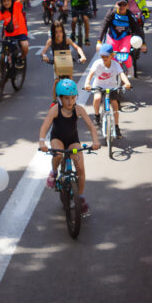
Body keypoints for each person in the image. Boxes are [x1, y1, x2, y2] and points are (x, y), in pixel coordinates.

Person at [40, 79, 100, 214]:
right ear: (60, 98)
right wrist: (42, 141)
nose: (70, 101)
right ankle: (54, 172)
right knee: (58, 154)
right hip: (58, 139)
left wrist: (95, 141)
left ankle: (81, 196)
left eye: (73, 97)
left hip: (73, 140)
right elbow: (45, 125)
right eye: (66, 98)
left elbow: (91, 126)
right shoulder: (55, 109)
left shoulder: (79, 109)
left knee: (80, 168)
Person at [84, 43, 132, 138]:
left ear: (111, 55)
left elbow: (121, 74)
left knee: (115, 104)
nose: (104, 57)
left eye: (106, 55)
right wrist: (87, 83)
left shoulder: (115, 64)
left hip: (111, 87)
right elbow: (90, 74)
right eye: (102, 55)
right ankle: (97, 115)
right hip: (99, 86)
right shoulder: (97, 63)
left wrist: (127, 83)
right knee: (97, 98)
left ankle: (117, 126)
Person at [41, 21, 86, 100]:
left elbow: (77, 47)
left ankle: (73, 98)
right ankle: (54, 101)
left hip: (67, 62)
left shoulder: (67, 40)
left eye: (60, 31)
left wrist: (82, 56)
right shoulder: (50, 41)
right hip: (57, 63)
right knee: (56, 81)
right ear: (53, 32)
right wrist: (44, 56)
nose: (59, 34)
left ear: (63, 32)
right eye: (56, 32)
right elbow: (43, 52)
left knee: (70, 80)